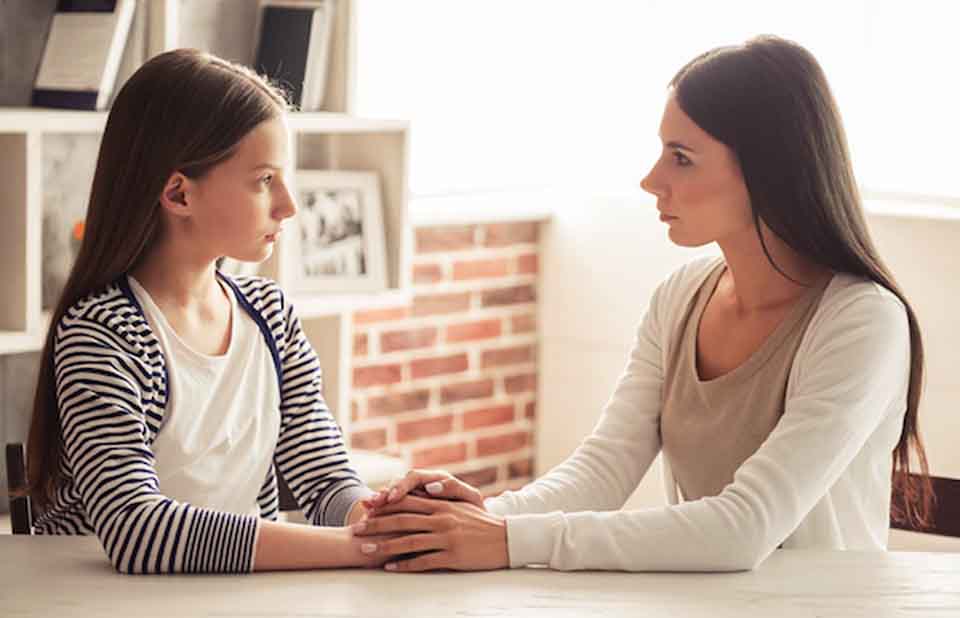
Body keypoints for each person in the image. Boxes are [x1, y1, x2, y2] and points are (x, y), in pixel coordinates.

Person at [351, 35, 935, 572]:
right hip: (708, 617)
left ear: (768, 169)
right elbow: (603, 470)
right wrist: (479, 513)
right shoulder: (681, 296)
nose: (652, 179)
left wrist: (507, 540)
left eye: (681, 157)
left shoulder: (862, 320)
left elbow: (743, 528)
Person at [19, 49, 395, 574]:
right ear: (178, 194)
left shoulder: (269, 314)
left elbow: (325, 478)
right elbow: (135, 530)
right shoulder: (104, 334)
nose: (288, 204)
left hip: (231, 608)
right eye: (264, 179)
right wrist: (358, 548)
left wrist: (384, 520)